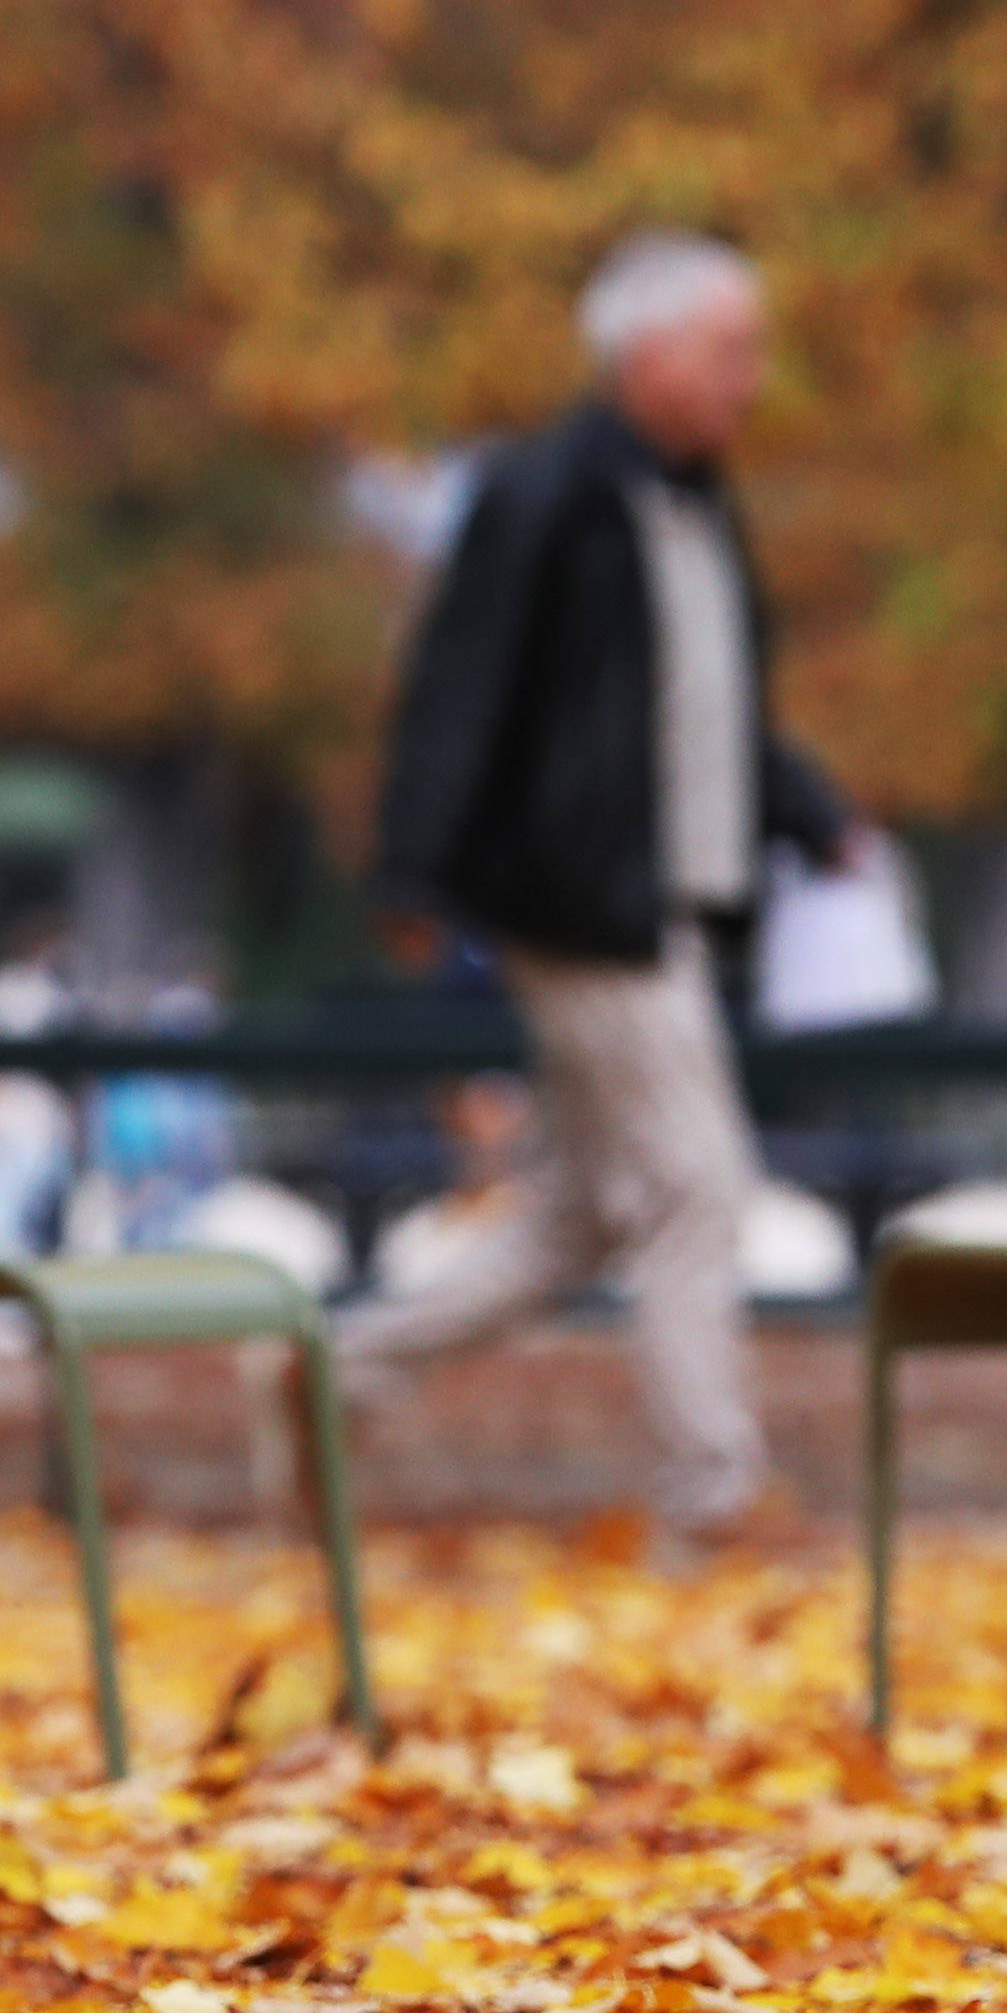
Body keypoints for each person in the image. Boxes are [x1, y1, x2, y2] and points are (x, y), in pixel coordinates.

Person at [350, 228, 854, 1548]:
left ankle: (342, 1373)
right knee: (697, 1184)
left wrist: (811, 817)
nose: (752, 378)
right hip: (579, 901)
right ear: (647, 354)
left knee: (577, 1217)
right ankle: (715, 1489)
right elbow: (459, 687)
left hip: (669, 903)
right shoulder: (545, 493)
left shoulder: (699, 503)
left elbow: (713, 712)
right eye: (731, 349)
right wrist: (413, 867)